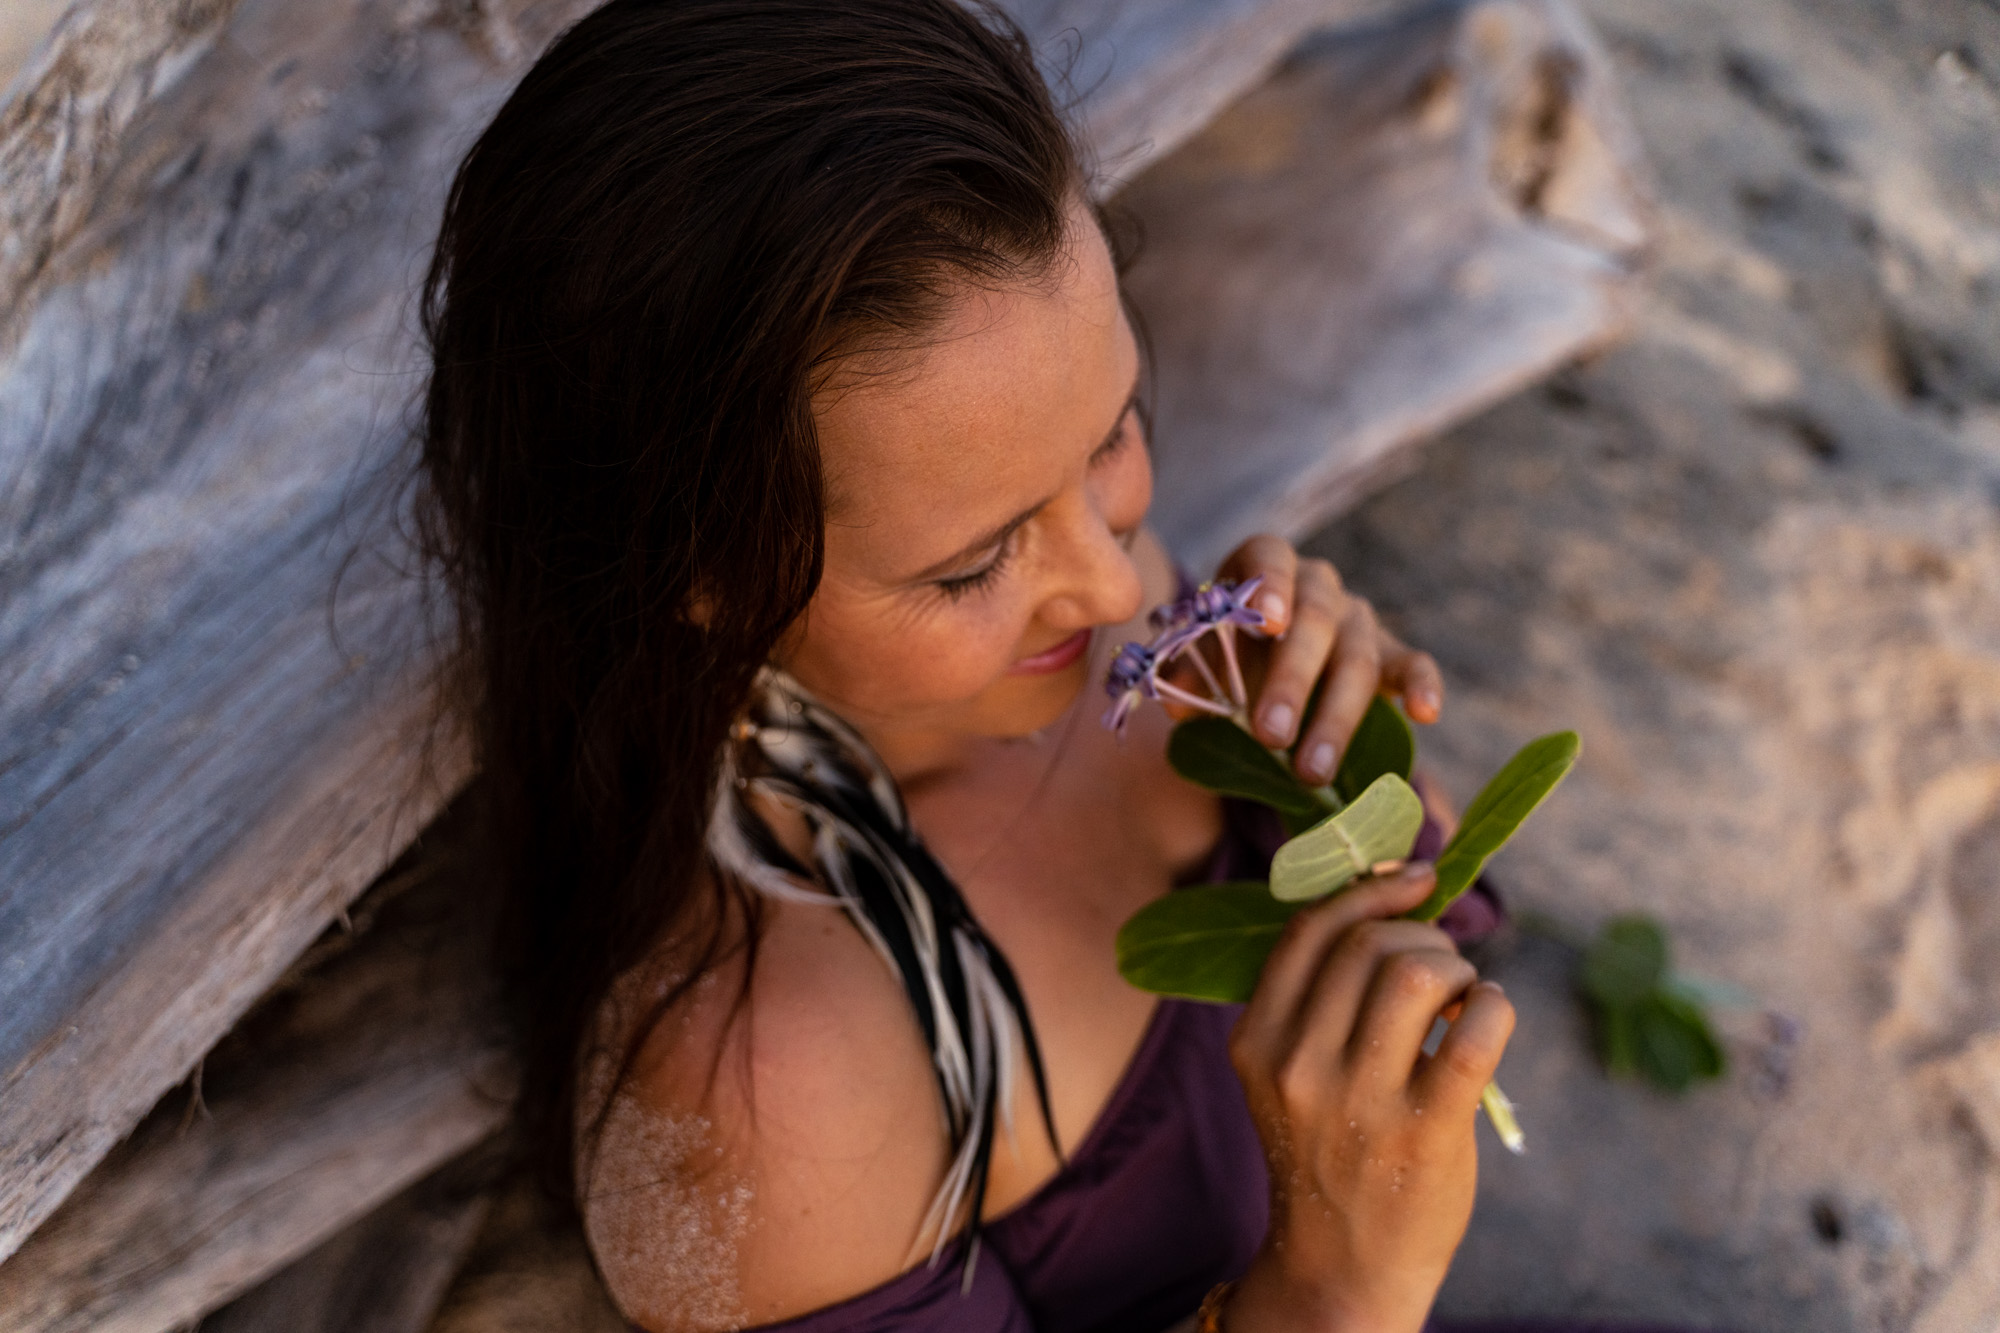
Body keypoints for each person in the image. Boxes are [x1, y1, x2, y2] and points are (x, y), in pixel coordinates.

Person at [414, 3, 1657, 1331]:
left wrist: (1356, 787)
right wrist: (1338, 1284)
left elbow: (1446, 971)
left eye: (1111, 433)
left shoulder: (1120, 642)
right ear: (696, 577)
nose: (1123, 588)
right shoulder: (767, 1096)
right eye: (968, 565)